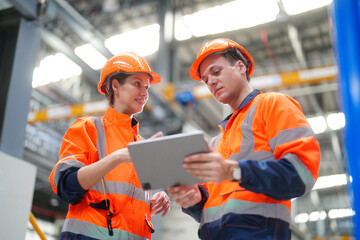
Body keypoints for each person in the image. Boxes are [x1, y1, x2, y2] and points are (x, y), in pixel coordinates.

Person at [168, 38, 320, 239]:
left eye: (216, 72)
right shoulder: (216, 143)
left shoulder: (272, 105)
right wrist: (194, 200)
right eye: (205, 79)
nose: (211, 82)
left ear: (240, 67)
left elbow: (303, 174)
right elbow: (210, 209)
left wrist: (234, 171)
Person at [49, 52, 171, 240]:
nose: (145, 93)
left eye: (146, 87)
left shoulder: (141, 144)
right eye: (137, 84)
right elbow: (66, 187)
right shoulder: (89, 128)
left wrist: (149, 205)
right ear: (115, 86)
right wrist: (117, 157)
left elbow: (123, 202)